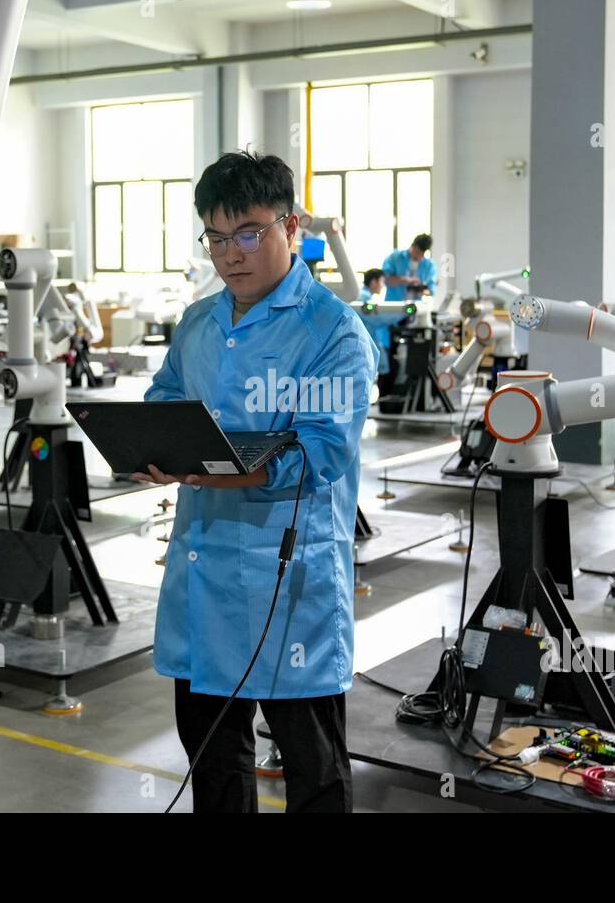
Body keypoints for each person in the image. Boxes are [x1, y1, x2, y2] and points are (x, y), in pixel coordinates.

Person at [135, 151, 377, 813]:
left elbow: (323, 450)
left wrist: (236, 467)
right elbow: (165, 397)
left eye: (248, 232)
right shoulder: (199, 324)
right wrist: (155, 443)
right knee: (213, 759)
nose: (230, 254)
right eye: (215, 237)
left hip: (287, 579)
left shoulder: (332, 332)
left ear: (291, 227)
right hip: (204, 573)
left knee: (313, 766)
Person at [381, 234, 436, 301]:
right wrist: (404, 280)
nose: (419, 256)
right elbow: (384, 279)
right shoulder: (395, 258)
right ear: (414, 246)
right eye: (418, 252)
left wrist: (422, 291)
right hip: (394, 304)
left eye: (422, 253)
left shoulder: (429, 265)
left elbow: (432, 289)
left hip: (416, 307)